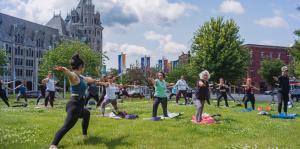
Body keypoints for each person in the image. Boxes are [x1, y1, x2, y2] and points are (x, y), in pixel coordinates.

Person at [50, 54, 97, 149]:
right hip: (74, 105)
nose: (84, 68)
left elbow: (90, 80)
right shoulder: (74, 77)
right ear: (80, 67)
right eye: (83, 67)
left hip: (79, 105)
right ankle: (53, 145)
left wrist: (101, 81)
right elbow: (69, 74)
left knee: (86, 113)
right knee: (67, 126)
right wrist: (65, 70)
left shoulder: (81, 77)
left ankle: (84, 136)